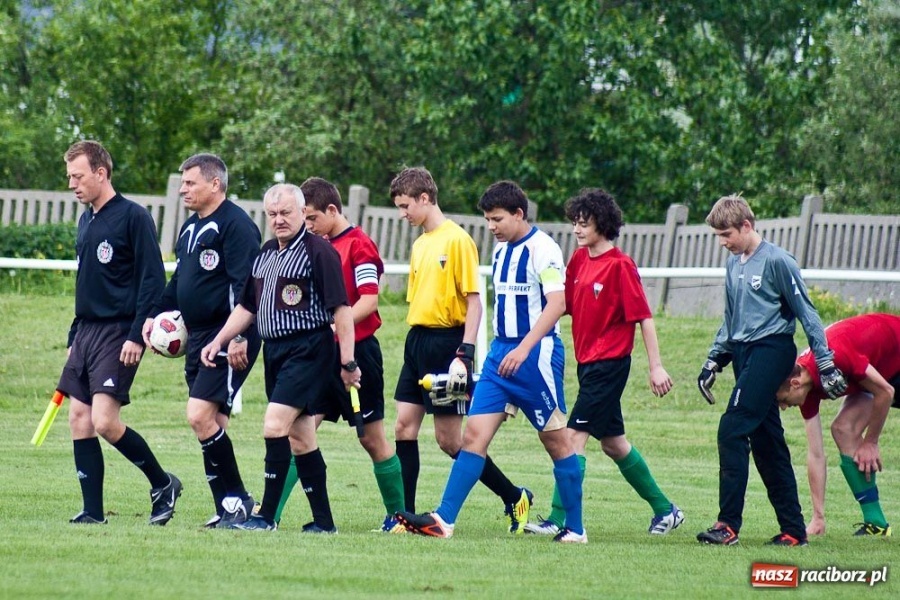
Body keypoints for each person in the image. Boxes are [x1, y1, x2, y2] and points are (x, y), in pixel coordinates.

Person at [396, 181, 585, 542]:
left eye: (497, 219)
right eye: (487, 220)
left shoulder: (544, 249)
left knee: (556, 441)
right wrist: (501, 349)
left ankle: (575, 529)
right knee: (472, 437)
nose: (492, 227)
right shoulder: (499, 252)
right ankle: (443, 520)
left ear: (518, 214)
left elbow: (557, 304)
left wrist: (524, 348)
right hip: (501, 356)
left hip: (536, 355)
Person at [200, 183, 360, 532]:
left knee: (274, 425)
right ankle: (324, 523)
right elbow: (247, 307)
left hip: (309, 350)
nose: (279, 220)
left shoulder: (319, 252)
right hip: (275, 353)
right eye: (272, 214)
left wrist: (348, 362)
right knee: (301, 438)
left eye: (286, 212)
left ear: (303, 212)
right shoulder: (266, 253)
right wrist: (220, 341)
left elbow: (342, 311)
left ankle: (266, 516)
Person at [523, 188, 682, 538]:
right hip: (587, 364)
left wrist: (655, 366)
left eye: (584, 224)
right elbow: (560, 303)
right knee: (613, 443)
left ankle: (558, 519)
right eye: (575, 223)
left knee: (572, 437)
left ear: (603, 225)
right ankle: (665, 510)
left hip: (610, 365)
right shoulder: (579, 260)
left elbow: (644, 317)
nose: (577, 230)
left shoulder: (621, 266)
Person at [695, 195, 847, 547]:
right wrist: (715, 360)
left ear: (747, 225)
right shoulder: (733, 264)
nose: (723, 242)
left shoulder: (779, 261)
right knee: (768, 444)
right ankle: (794, 531)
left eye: (727, 234)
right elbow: (730, 319)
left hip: (773, 349)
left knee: (732, 427)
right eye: (718, 236)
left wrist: (824, 363)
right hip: (745, 353)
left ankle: (727, 525)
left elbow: (807, 313)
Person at [390, 166, 532, 533]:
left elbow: (475, 301)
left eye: (406, 206)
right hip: (416, 342)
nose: (402, 214)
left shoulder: (457, 240)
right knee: (403, 428)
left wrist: (465, 352)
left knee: (451, 442)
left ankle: (514, 496)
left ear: (425, 198)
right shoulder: (421, 242)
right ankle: (403, 515)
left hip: (447, 344)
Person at [57, 140, 181, 525]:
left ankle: (163, 483)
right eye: (69, 178)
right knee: (79, 417)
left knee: (105, 422)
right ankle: (93, 512)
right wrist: (73, 336)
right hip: (87, 332)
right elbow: (87, 282)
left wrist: (135, 335)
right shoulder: (85, 220)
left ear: (101, 173)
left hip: (118, 331)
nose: (72, 185)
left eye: (78, 176)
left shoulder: (133, 217)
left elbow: (151, 280)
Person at [272, 176, 405, 533]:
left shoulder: (360, 246)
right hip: (318, 357)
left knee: (370, 438)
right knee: (298, 433)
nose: (308, 225)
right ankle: (270, 513)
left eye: (312, 217)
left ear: (332, 210)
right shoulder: (314, 247)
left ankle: (399, 516)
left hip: (357, 354)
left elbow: (369, 301)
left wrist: (333, 327)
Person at [142, 153, 262, 528]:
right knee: (213, 421)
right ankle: (226, 508)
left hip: (227, 335)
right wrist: (154, 315)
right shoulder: (190, 228)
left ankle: (239, 499)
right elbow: (180, 281)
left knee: (198, 416)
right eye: (182, 183)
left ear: (215, 184)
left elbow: (249, 286)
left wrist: (239, 335)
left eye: (190, 183)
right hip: (197, 338)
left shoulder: (237, 226)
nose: (183, 190)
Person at [777, 313, 898, 537]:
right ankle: (877, 524)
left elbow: (885, 391)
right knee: (843, 429)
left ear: (794, 384)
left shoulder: (833, 357)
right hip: (876, 371)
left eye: (783, 401)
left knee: (853, 427)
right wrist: (818, 517)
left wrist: (871, 442)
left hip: (895, 357)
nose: (783, 407)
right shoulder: (807, 389)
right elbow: (816, 454)